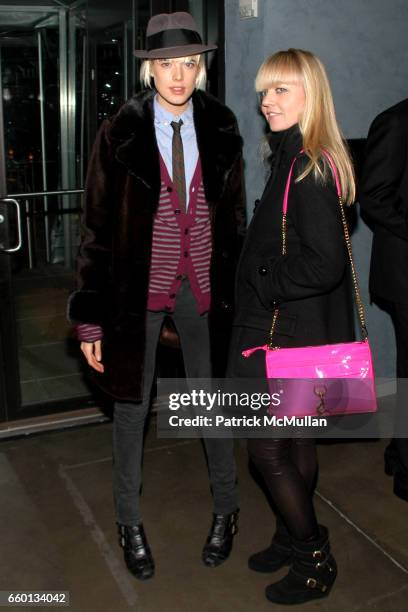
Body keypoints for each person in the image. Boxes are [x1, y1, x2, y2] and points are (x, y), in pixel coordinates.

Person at [67, 12, 245, 580]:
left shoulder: (221, 126)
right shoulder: (118, 132)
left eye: (188, 63)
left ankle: (226, 509)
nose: (178, 75)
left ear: (201, 68)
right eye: (166, 64)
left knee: (209, 402)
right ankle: (128, 521)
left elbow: (234, 223)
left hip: (201, 289)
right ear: (149, 70)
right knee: (131, 407)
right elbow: (95, 230)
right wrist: (90, 322)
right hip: (134, 293)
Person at [227, 49, 356, 605]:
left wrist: (261, 272)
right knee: (297, 439)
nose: (266, 101)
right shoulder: (296, 156)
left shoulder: (306, 166)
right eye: (264, 91)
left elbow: (324, 264)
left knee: (266, 451)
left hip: (283, 333)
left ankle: (314, 556)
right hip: (299, 330)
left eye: (281, 90)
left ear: (310, 94)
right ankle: (289, 533)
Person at [359, 99, 408, 502]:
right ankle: (406, 469)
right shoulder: (395, 120)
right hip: (403, 274)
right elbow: (373, 197)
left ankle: (398, 451)